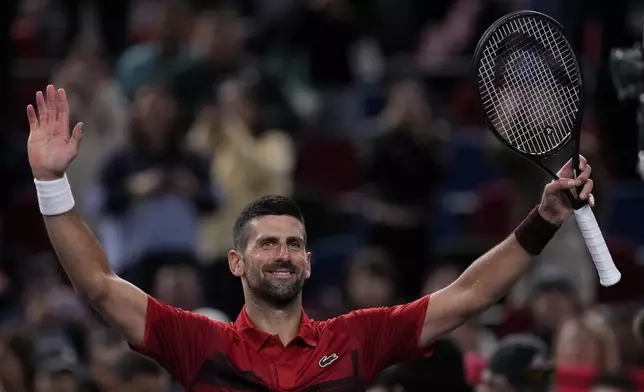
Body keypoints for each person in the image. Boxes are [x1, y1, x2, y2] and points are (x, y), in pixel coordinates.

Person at [25, 85, 595, 391]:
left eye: (294, 244)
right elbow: (99, 286)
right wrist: (51, 183)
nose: (282, 254)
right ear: (235, 263)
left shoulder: (359, 338)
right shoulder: (199, 343)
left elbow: (470, 294)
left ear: (309, 262)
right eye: (267, 244)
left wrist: (542, 219)